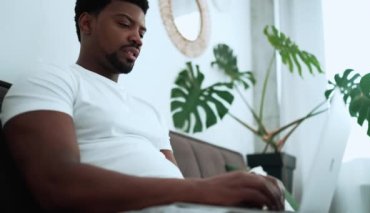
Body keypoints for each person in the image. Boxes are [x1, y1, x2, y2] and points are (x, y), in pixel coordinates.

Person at [0, 0, 284, 212]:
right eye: (124, 24)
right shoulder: (50, 81)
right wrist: (205, 188)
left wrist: (224, 196)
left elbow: (175, 182)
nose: (137, 37)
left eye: (142, 31)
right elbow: (56, 183)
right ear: (86, 24)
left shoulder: (149, 111)